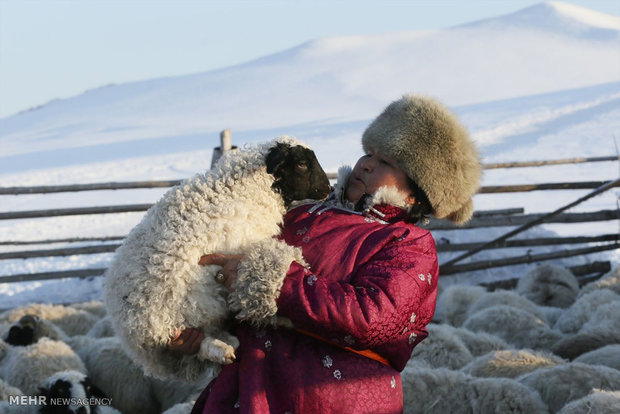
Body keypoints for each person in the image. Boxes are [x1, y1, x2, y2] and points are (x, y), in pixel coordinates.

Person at [170, 94, 482, 414]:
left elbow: (374, 316)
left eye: (386, 162)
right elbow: (233, 287)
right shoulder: (297, 215)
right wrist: (202, 335)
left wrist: (274, 279)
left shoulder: (407, 244)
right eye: (369, 153)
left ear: (417, 193)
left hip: (328, 400)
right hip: (245, 394)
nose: (367, 164)